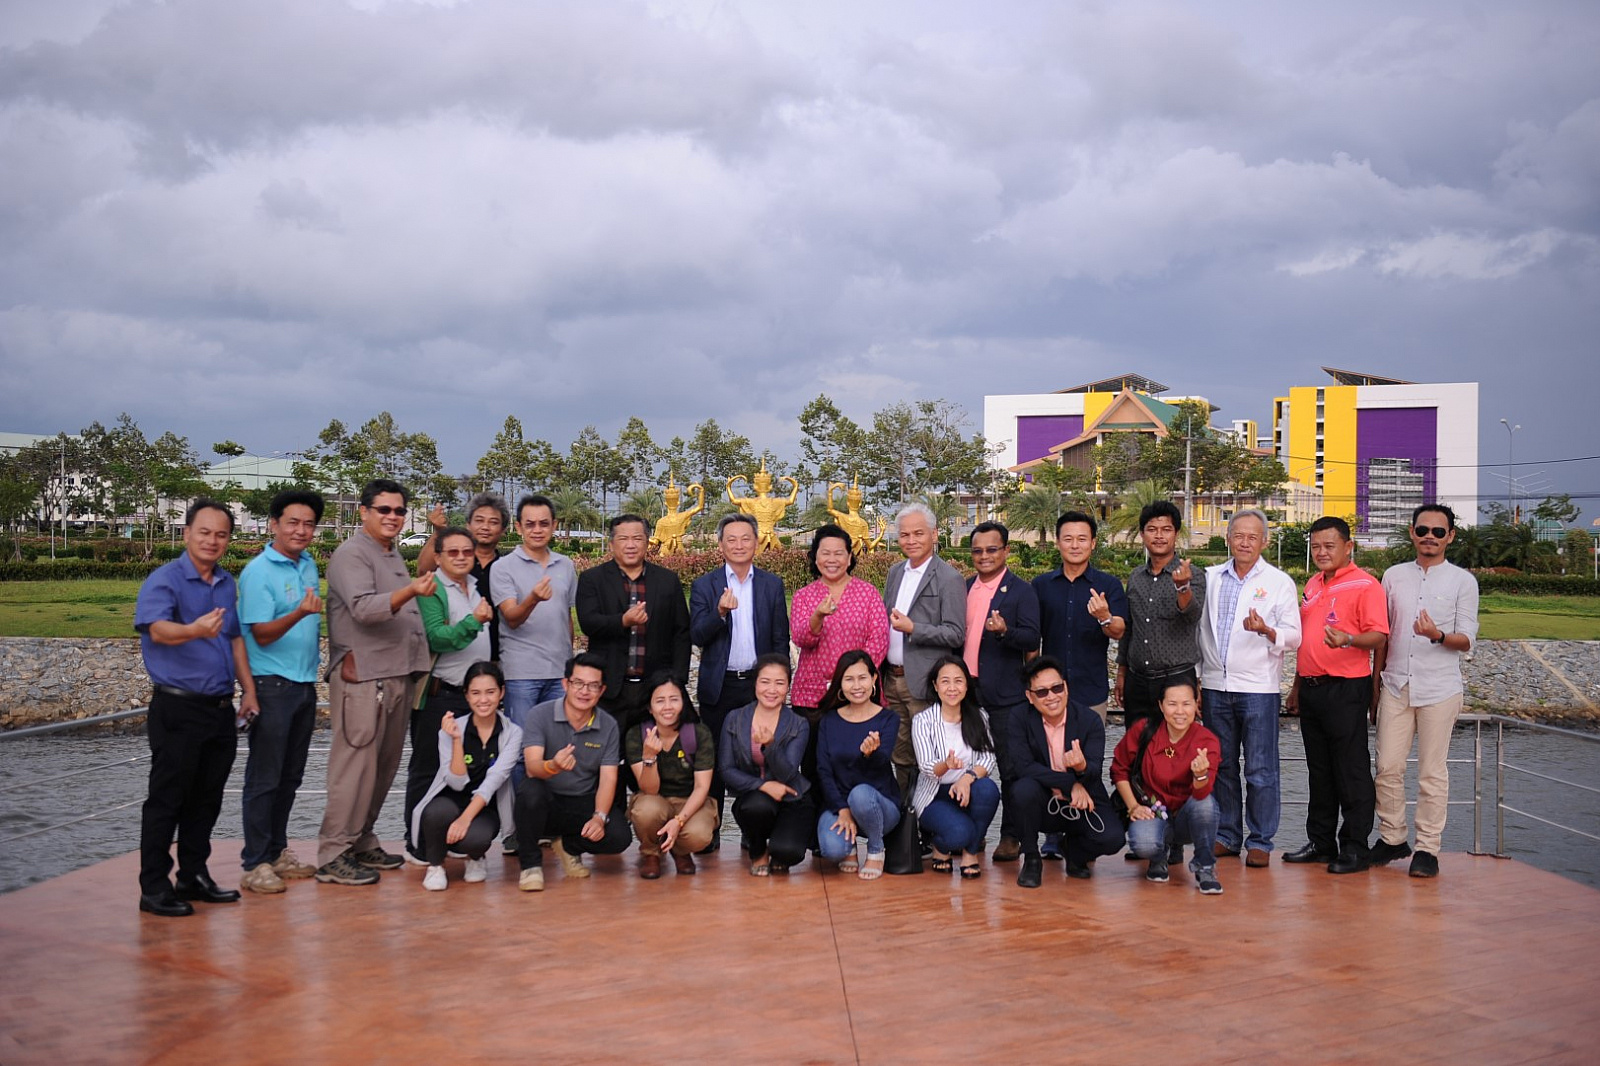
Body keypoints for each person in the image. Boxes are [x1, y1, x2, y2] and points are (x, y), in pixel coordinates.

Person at [133, 498, 259, 917]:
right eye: (204, 532)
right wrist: (194, 630)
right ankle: (154, 887)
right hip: (178, 708)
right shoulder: (165, 580)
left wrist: (249, 691)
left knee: (207, 799)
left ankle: (192, 875)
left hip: (219, 708)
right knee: (167, 800)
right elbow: (157, 630)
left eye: (221, 534)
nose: (212, 540)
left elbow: (234, 638)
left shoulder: (225, 582)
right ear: (186, 533)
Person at [315, 478, 434, 887]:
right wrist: (411, 590)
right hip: (364, 678)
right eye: (384, 509)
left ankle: (361, 839)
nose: (393, 517)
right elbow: (364, 609)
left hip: (395, 674)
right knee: (355, 767)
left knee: (382, 767)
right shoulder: (352, 554)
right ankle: (334, 852)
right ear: (364, 512)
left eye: (399, 511)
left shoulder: (389, 552)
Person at [1371, 504, 1480, 879]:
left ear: (1450, 536)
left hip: (1439, 687)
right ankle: (1392, 838)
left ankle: (1427, 849)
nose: (1429, 537)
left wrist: (1437, 635)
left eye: (1437, 531)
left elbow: (1466, 639)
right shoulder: (1393, 576)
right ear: (1412, 533)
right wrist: (1374, 687)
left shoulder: (1463, 582)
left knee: (1432, 773)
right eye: (1422, 530)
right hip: (1395, 684)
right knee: (1387, 767)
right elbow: (1383, 635)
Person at [1198, 508, 1301, 868]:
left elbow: (1295, 636)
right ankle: (1227, 835)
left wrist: (1267, 631)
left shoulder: (1278, 582)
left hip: (1258, 688)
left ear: (1265, 542)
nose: (1244, 542)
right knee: (1222, 765)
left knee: (1260, 769)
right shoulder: (1210, 577)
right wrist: (1197, 677)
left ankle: (1260, 840)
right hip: (1215, 686)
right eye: (1238, 535)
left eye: (1252, 537)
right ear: (1227, 537)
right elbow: (1198, 630)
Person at [1285, 516, 1388, 874]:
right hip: (1312, 688)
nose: (1322, 552)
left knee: (1351, 770)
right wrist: (1296, 686)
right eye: (1315, 546)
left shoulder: (1366, 585)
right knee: (1319, 771)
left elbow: (1379, 635)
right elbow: (1307, 639)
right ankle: (1321, 842)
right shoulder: (1313, 583)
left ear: (1348, 547)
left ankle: (1355, 847)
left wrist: (1348, 639)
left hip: (1346, 688)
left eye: (1329, 546)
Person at [236, 489, 324, 896]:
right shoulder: (258, 572)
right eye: (293, 522)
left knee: (290, 776)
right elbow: (260, 634)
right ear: (273, 524)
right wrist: (300, 613)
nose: (301, 530)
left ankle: (275, 852)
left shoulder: (307, 565)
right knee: (265, 777)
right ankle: (255, 863)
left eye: (309, 524)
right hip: (270, 685)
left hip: (303, 684)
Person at [689, 513, 791, 842]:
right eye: (731, 539)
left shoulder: (771, 585)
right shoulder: (705, 585)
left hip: (759, 687)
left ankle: (754, 830)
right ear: (720, 544)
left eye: (746, 538)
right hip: (720, 686)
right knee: (715, 758)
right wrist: (719, 612)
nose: (739, 545)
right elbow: (697, 635)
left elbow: (780, 639)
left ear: (757, 542)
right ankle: (710, 831)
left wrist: (779, 683)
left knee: (757, 757)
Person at [512, 653, 634, 890]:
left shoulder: (608, 724)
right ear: (565, 684)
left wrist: (599, 817)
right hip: (546, 802)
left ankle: (569, 847)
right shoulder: (540, 714)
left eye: (593, 685)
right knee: (530, 791)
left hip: (582, 800)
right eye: (578, 683)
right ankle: (530, 865)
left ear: (602, 690)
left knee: (619, 836)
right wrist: (553, 766)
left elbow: (608, 778)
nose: (584, 691)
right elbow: (532, 767)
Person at [407, 527, 493, 861]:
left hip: (473, 700)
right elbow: (437, 638)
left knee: (464, 770)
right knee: (427, 769)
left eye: (467, 552)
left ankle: (453, 839)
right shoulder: (432, 589)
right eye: (452, 552)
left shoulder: (474, 586)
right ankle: (417, 843)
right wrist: (474, 621)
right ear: (438, 557)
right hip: (441, 695)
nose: (460, 557)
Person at [1008, 656, 1122, 888]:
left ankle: (1074, 852)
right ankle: (1031, 858)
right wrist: (1070, 783)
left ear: (1066, 687)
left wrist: (1081, 768)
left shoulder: (1089, 720)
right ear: (1030, 696)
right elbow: (1023, 767)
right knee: (1021, 790)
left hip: (1083, 796)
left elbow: (1094, 771)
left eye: (1057, 688)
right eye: (1042, 692)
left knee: (1113, 838)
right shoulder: (1019, 718)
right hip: (1043, 798)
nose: (1051, 697)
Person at [962, 520, 1039, 863]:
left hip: (1006, 694)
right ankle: (972, 832)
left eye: (992, 549)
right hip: (966, 692)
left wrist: (1006, 632)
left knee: (1010, 768)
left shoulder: (1021, 591)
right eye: (977, 551)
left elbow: (1031, 638)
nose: (984, 556)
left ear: (1006, 551)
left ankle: (1011, 836)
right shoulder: (964, 587)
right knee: (965, 765)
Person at [411, 662, 523, 891]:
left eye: (490, 692)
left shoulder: (513, 733)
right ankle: (435, 866)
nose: (483, 700)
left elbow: (494, 781)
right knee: (436, 813)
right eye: (476, 693)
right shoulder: (451, 729)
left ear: (501, 692)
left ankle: (475, 858)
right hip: (451, 799)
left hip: (486, 806)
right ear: (466, 695)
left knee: (476, 839)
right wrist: (455, 740)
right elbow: (456, 782)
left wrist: (465, 819)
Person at [790, 524, 889, 782]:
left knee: (856, 766)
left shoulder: (868, 593)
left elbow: (879, 639)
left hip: (857, 695)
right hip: (813, 697)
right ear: (815, 557)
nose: (831, 559)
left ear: (849, 557)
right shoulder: (804, 596)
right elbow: (801, 638)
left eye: (838, 553)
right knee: (814, 767)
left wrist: (853, 680)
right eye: (825, 553)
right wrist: (818, 616)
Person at [881, 503, 967, 796]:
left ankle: (929, 814)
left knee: (928, 755)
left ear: (934, 534)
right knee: (900, 754)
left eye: (918, 533)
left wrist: (914, 628)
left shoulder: (949, 578)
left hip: (923, 681)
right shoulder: (895, 572)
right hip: (891, 679)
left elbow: (955, 633)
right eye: (905, 535)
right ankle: (906, 814)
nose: (911, 540)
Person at [1111, 676, 1225, 894]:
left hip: (1186, 815)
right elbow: (1119, 769)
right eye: (1172, 704)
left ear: (1196, 704)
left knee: (1207, 807)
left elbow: (1202, 794)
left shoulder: (1206, 740)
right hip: (1153, 809)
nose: (1180, 711)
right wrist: (1133, 806)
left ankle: (1205, 866)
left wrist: (1200, 775)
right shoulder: (1144, 730)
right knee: (1143, 843)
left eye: (1186, 704)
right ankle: (1158, 856)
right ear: (1161, 705)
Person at [575, 514, 691, 726]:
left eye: (637, 539)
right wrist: (622, 621)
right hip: (610, 688)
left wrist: (677, 680)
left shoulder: (667, 580)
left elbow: (681, 632)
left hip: (655, 687)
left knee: (655, 744)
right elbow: (589, 623)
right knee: (609, 744)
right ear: (612, 544)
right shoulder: (592, 579)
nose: (631, 545)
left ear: (647, 543)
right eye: (623, 539)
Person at [1115, 500, 1205, 733]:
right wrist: (1122, 672)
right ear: (1142, 534)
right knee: (1137, 745)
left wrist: (1182, 587)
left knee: (1176, 746)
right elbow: (1129, 628)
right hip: (1137, 679)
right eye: (1152, 530)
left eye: (1166, 530)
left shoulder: (1193, 575)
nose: (1159, 536)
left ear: (1176, 534)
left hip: (1176, 679)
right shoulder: (1135, 577)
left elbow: (1192, 616)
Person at [720, 653, 813, 876]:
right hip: (754, 798)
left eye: (779, 683)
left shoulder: (798, 723)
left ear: (788, 687)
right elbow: (726, 770)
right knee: (756, 806)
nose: (772, 690)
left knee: (788, 852)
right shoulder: (735, 718)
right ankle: (758, 850)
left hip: (792, 797)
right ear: (755, 684)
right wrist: (763, 786)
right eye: (765, 682)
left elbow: (788, 773)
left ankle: (779, 845)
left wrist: (771, 746)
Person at [813, 651, 902, 880]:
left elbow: (881, 765)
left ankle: (876, 849)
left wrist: (870, 754)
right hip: (840, 805)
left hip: (879, 805)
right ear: (840, 684)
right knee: (832, 849)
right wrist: (842, 809)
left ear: (874, 679)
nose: (856, 686)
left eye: (862, 678)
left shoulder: (888, 719)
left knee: (860, 794)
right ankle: (849, 846)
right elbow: (823, 771)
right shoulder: (829, 720)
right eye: (849, 679)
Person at [911, 656, 1000, 880]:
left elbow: (988, 758)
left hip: (967, 790)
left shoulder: (980, 716)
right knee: (960, 833)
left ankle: (970, 854)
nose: (952, 688)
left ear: (967, 685)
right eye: (945, 681)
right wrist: (946, 765)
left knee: (988, 790)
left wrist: (967, 778)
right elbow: (926, 766)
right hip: (934, 796)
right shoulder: (923, 720)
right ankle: (940, 846)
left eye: (958, 681)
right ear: (935, 685)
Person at [491, 493, 578, 725]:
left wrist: (569, 663)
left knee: (557, 740)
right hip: (521, 673)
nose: (537, 530)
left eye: (544, 524)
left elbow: (567, 618)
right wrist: (534, 599)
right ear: (518, 527)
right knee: (521, 740)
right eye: (530, 524)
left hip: (559, 672)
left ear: (554, 525)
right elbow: (511, 618)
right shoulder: (503, 568)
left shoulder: (565, 565)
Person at [1033, 511, 1127, 722]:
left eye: (1082, 539)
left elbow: (1119, 630)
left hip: (1091, 691)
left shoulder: (1109, 585)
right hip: (1049, 692)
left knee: (1090, 744)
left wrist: (1104, 617)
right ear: (1058, 543)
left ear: (1093, 543)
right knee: (1046, 744)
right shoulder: (1041, 585)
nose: (1075, 545)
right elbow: (1032, 637)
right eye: (1068, 539)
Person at [626, 673, 717, 878]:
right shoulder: (636, 735)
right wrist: (649, 757)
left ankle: (680, 851)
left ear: (683, 702)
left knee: (699, 834)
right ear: (650, 707)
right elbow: (650, 790)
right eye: (660, 701)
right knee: (646, 810)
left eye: (674, 699)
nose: (667, 707)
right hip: (655, 799)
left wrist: (678, 821)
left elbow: (702, 787)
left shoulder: (699, 733)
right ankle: (651, 853)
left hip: (690, 801)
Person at [417, 492, 510, 661]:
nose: (485, 527)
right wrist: (439, 532)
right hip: (454, 658)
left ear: (503, 530)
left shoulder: (507, 567)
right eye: (479, 520)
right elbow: (424, 571)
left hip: (498, 658)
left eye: (493, 522)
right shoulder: (457, 564)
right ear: (468, 525)